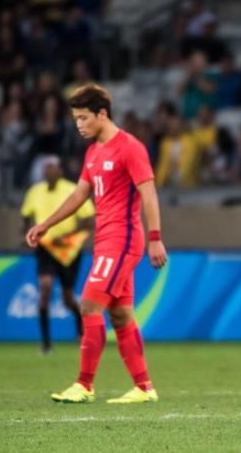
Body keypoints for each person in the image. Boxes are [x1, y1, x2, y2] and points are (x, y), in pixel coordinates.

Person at [26, 84, 167, 404]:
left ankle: (84, 384)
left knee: (89, 304)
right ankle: (144, 388)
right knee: (120, 315)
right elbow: (79, 195)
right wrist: (46, 225)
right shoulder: (93, 152)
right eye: (75, 118)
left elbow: (149, 193)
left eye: (84, 117)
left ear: (102, 114)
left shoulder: (129, 147)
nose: (79, 124)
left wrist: (155, 238)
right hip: (105, 242)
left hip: (123, 240)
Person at [21, 155, 95, 354]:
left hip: (68, 250)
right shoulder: (35, 192)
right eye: (46, 168)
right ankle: (46, 344)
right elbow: (26, 217)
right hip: (45, 247)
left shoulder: (72, 189)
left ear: (60, 171)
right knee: (44, 289)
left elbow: (88, 220)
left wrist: (70, 237)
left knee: (67, 298)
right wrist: (25, 234)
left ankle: (80, 328)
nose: (48, 171)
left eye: (52, 167)